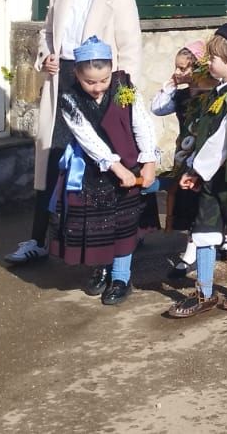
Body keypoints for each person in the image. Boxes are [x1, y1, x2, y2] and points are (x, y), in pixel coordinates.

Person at [5, 0, 142, 268]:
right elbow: (48, 33)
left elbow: (130, 50)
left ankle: (114, 242)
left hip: (99, 84)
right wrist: (46, 56)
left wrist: (120, 95)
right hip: (62, 79)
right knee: (53, 159)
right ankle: (39, 239)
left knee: (99, 163)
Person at [164, 19, 227, 318]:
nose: (208, 62)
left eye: (213, 58)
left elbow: (224, 142)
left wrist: (196, 169)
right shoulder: (218, 91)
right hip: (211, 177)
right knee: (205, 230)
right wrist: (194, 170)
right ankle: (205, 293)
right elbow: (205, 135)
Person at [47, 36, 159, 306]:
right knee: (97, 225)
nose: (97, 88)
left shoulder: (124, 87)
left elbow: (140, 122)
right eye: (90, 82)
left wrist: (149, 162)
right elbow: (88, 138)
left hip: (131, 165)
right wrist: (116, 167)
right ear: (77, 73)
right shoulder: (69, 98)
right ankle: (102, 268)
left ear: (112, 71)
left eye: (103, 80)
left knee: (123, 225)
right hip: (94, 170)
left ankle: (121, 277)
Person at [150, 40, 214, 280]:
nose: (178, 72)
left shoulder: (210, 94)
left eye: (183, 68)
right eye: (176, 67)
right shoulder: (180, 93)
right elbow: (156, 108)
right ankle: (193, 250)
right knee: (189, 204)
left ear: (198, 70)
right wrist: (169, 85)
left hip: (204, 155)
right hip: (184, 154)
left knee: (203, 204)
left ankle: (193, 253)